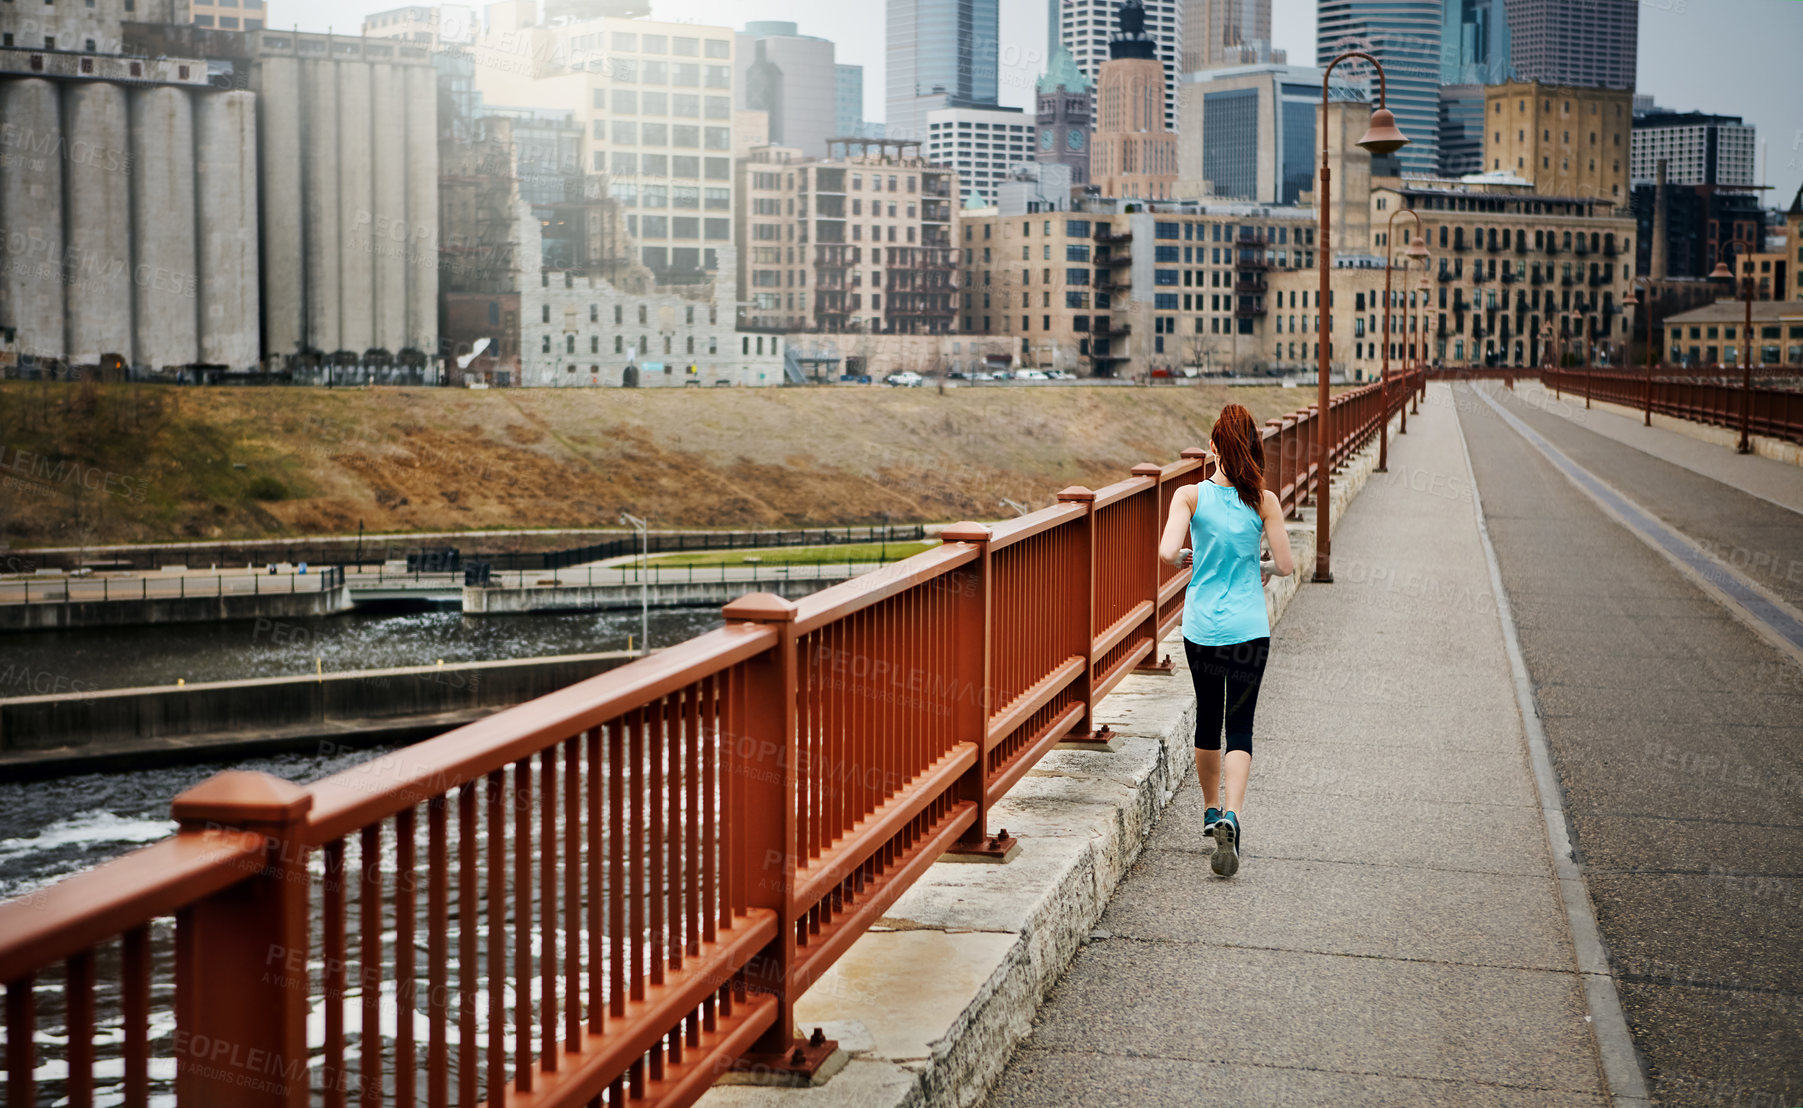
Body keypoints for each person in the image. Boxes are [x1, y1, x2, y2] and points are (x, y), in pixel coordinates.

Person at [1158, 404, 1294, 877]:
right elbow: (1286, 564)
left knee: (1207, 716)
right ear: (1253, 448)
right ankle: (1233, 816)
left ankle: (1211, 810)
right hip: (1249, 630)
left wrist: (1183, 560)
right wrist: (1261, 568)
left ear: (1213, 447)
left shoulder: (1189, 496)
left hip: (1202, 630)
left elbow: (1167, 551)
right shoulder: (1264, 501)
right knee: (1240, 725)